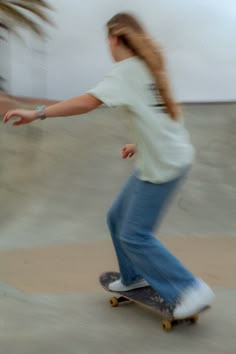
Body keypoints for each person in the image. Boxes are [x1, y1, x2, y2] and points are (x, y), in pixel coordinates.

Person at [3, 13, 215, 319]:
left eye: (107, 42)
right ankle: (131, 279)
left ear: (114, 39)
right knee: (117, 217)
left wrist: (37, 114)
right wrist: (140, 144)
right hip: (165, 156)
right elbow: (162, 119)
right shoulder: (151, 69)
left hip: (163, 165)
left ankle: (189, 289)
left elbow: (87, 102)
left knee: (135, 235)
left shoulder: (126, 71)